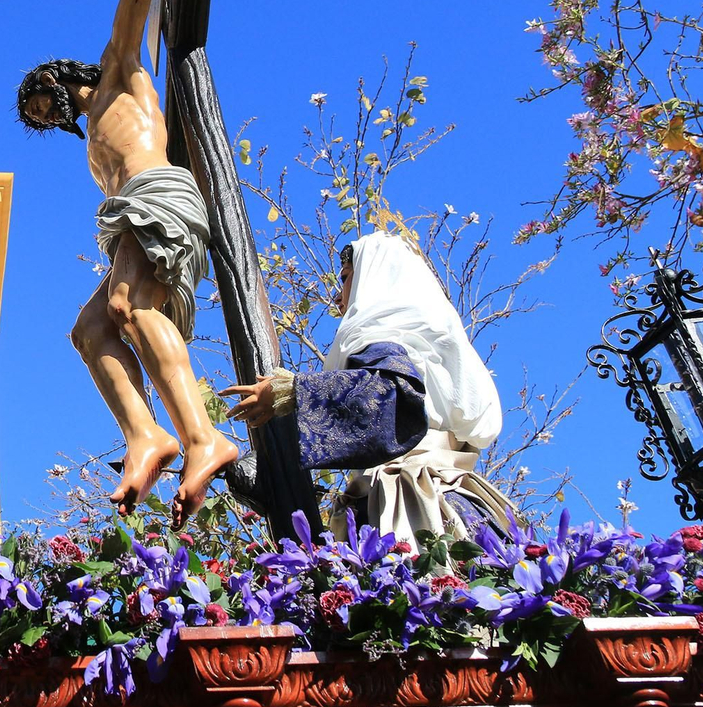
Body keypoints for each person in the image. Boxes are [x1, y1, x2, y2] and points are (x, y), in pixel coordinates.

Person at [16, 0, 237, 529]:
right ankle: (148, 433)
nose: (44, 120)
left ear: (56, 79)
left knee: (132, 307)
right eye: (36, 120)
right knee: (89, 330)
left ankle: (204, 437)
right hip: (130, 212)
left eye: (40, 106)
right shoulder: (91, 150)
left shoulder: (118, 73)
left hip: (158, 195)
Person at [220, 232, 514, 542]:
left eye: (345, 278)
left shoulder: (386, 333)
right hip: (454, 504)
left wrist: (293, 391)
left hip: (410, 508)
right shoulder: (429, 339)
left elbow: (392, 402)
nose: (338, 297)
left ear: (373, 276)